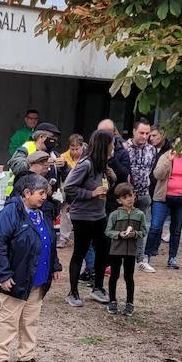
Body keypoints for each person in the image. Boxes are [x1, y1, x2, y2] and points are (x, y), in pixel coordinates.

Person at [0, 175, 58, 362]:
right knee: (9, 320)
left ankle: (26, 356)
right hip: (16, 277)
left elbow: (49, 241)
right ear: (27, 194)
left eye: (45, 193)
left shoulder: (43, 212)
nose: (44, 197)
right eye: (41, 193)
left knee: (30, 319)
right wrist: (2, 274)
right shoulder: (11, 212)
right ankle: (0, 358)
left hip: (37, 278)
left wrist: (54, 266)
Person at [61, 130, 112, 306]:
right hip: (82, 216)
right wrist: (91, 193)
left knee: (103, 250)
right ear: (104, 146)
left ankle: (97, 288)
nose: (113, 147)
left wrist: (110, 177)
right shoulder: (86, 164)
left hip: (99, 215)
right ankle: (73, 292)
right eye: (111, 144)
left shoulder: (102, 164)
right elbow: (69, 187)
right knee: (80, 252)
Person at [143, 141, 182, 271]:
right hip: (163, 198)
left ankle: (172, 258)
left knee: (176, 230)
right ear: (173, 144)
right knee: (155, 227)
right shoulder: (165, 156)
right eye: (178, 143)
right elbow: (157, 175)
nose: (181, 146)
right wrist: (170, 161)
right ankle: (146, 256)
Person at [104, 183, 147, 315]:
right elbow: (108, 231)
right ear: (119, 200)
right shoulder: (115, 214)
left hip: (131, 251)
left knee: (129, 277)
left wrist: (135, 234)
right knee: (114, 276)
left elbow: (143, 231)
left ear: (135, 196)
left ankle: (130, 303)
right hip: (116, 250)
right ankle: (112, 301)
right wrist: (118, 234)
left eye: (131, 195)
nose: (129, 199)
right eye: (125, 197)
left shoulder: (139, 214)